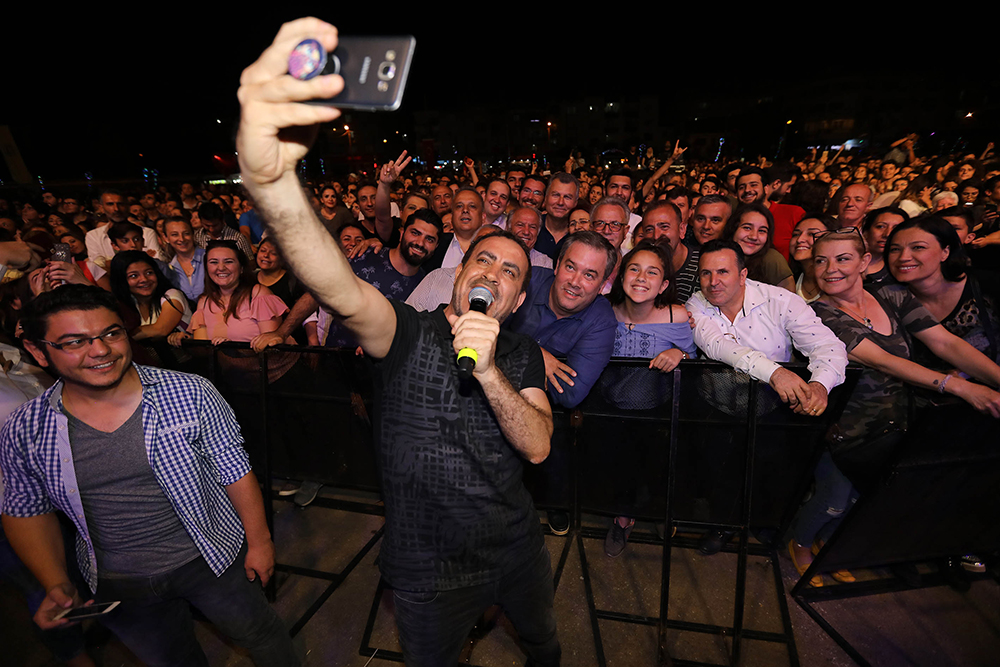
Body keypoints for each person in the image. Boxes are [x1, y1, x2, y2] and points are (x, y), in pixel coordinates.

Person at [235, 20, 559, 665]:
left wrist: (490, 370)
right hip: (427, 566)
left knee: (543, 644)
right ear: (458, 271)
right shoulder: (404, 332)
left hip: (515, 548)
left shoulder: (521, 354)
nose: (492, 273)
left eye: (510, 272)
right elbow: (337, 285)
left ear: (519, 299)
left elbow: (538, 446)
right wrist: (271, 185)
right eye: (483, 261)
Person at [1, 285, 298, 666]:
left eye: (111, 333)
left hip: (211, 557)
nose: (100, 350)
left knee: (260, 634)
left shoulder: (190, 393)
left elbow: (235, 470)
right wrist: (55, 581)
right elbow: (26, 509)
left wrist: (259, 542)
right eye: (75, 341)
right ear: (39, 352)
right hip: (118, 580)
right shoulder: (26, 428)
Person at [788, 230, 1000, 584]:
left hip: (894, 422)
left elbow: (944, 342)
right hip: (844, 430)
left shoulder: (892, 295)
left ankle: (827, 542)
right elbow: (885, 361)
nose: (830, 269)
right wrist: (962, 388)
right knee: (833, 498)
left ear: (864, 262)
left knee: (864, 497)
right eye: (821, 260)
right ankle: (801, 544)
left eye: (842, 259)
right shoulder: (816, 315)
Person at [686, 239, 849, 553]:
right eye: (705, 273)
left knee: (770, 469)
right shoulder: (696, 304)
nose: (713, 281)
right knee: (720, 472)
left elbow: (828, 347)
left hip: (772, 406)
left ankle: (764, 525)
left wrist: (819, 385)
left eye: (723, 271)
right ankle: (721, 527)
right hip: (717, 405)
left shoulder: (781, 301)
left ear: (743, 274)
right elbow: (720, 347)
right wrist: (776, 372)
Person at [602, 241, 696, 557]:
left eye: (652, 272)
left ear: (664, 284)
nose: (642, 277)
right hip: (611, 406)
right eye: (634, 268)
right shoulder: (604, 310)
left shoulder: (675, 315)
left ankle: (660, 512)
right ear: (621, 276)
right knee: (618, 467)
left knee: (656, 464)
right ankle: (623, 518)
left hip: (656, 410)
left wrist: (679, 351)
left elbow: (696, 357)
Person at [886, 216, 1000, 367]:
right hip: (922, 387)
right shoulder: (887, 298)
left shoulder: (988, 285)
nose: (903, 257)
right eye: (895, 249)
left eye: (918, 247)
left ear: (945, 252)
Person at [110, 250, 192, 368]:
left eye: (149, 273)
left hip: (185, 367)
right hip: (150, 370)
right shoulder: (127, 305)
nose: (144, 279)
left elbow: (160, 329)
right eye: (134, 276)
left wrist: (121, 337)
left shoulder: (172, 295)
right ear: (122, 281)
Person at [723, 203, 795, 291]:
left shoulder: (772, 259)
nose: (753, 236)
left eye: (762, 231)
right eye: (747, 228)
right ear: (733, 229)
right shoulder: (719, 254)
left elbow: (790, 301)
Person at [788, 215, 838, 303]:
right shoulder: (788, 279)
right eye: (796, 234)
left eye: (811, 234)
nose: (800, 239)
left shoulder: (839, 281)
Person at [861, 206, 907, 285]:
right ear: (866, 232)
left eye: (896, 228)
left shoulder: (902, 271)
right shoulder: (848, 263)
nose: (887, 234)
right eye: (880, 226)